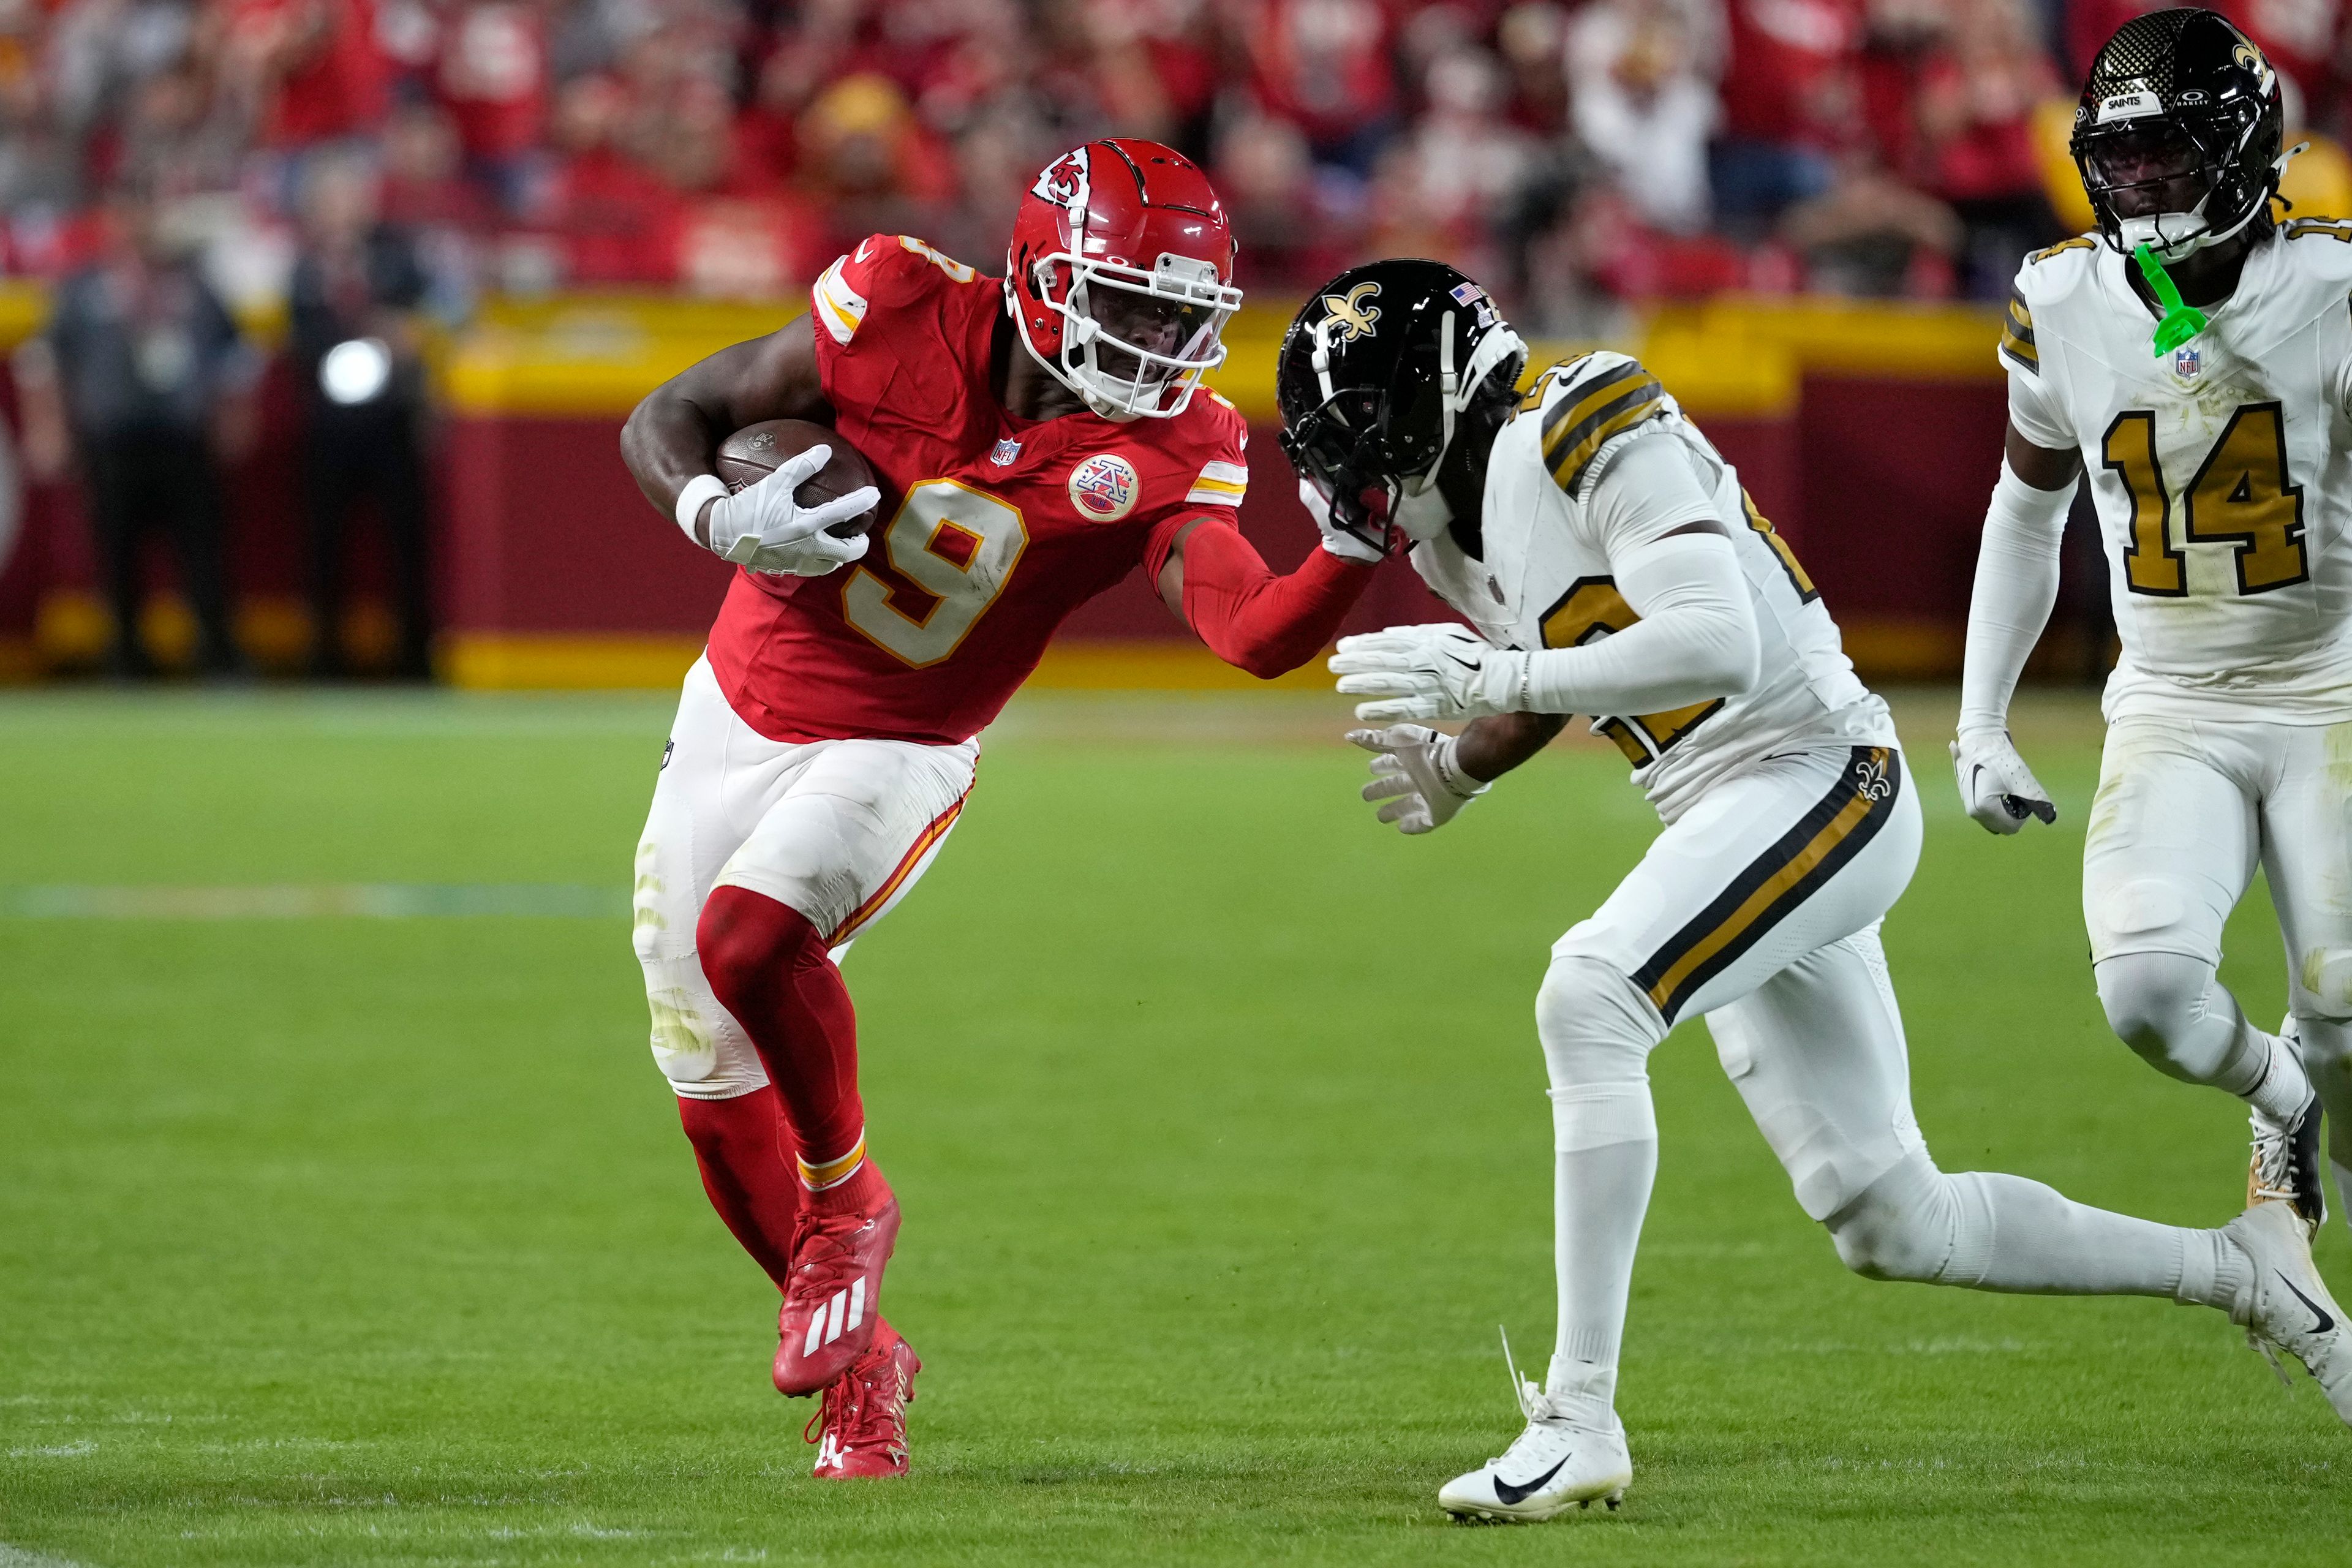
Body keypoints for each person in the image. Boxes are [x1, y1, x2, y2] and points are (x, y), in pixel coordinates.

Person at [1276, 257, 2352, 1524]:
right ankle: (2244, 1272)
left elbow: (1713, 638)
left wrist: (1487, 688)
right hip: (1729, 808)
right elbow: (1575, 659)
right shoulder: (1460, 515)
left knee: (1592, 993)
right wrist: (1465, 761)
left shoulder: (1582, 414)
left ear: (1427, 397)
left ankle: (1578, 1416)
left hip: (1819, 771)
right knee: (1890, 1215)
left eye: (1360, 435)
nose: (1350, 475)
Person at [616, 140, 1381, 1480]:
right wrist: (715, 518)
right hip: (732, 709)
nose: (1158, 340)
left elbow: (1251, 633)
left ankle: (850, 1202)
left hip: (903, 744)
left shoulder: (1177, 442)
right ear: (1038, 274)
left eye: (1178, 312)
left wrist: (1351, 549)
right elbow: (667, 416)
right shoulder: (895, 297)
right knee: (708, 1086)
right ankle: (867, 1370)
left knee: (751, 941)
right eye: (1130, 301)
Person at [1954, 10, 2342, 1249]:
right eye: (2122, 159)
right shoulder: (2062, 296)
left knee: (2346, 1011)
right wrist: (1979, 719)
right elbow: (2025, 513)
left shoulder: (2334, 286)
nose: (2144, 182)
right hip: (2171, 700)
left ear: (2243, 146)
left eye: (2171, 153)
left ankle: (2316, 1078)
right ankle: (2278, 1097)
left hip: (2334, 688)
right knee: (2150, 995)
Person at [23, 180, 257, 677]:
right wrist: (49, 428)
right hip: (112, 438)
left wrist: (235, 417)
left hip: (183, 435)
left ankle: (214, 650)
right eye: (125, 215)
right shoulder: (83, 286)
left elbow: (237, 356)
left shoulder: (192, 283)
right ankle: (125, 654)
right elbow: (43, 361)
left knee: (202, 550)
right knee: (116, 551)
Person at [287, 152, 435, 679]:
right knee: (325, 543)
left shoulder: (398, 257)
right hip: (330, 425)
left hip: (392, 419)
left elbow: (430, 317)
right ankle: (325, 653)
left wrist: (403, 337)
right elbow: (298, 339)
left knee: (407, 542)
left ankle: (413, 655)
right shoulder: (306, 267)